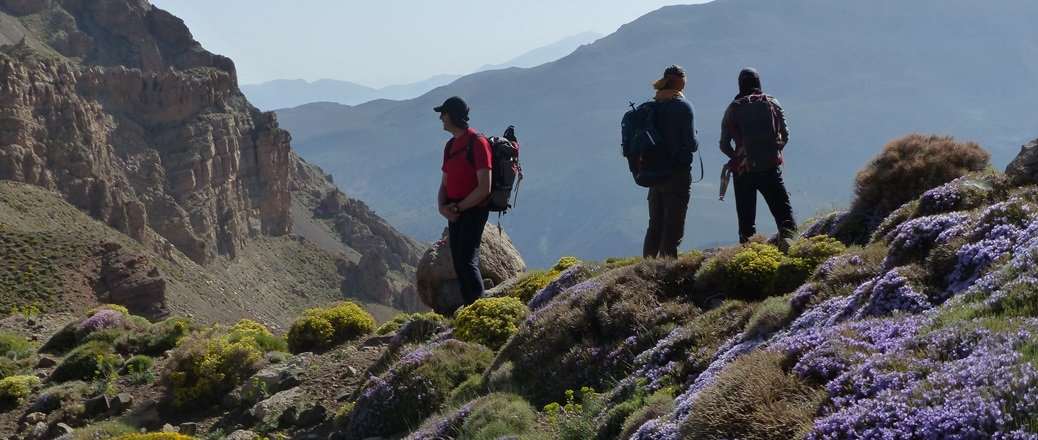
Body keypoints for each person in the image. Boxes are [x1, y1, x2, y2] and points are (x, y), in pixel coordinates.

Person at [719, 68, 796, 246]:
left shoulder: (732, 108)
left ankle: (749, 255)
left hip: (744, 171)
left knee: (747, 222)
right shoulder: (772, 102)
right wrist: (774, 151)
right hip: (770, 168)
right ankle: (791, 249)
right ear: (758, 82)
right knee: (784, 216)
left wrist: (738, 158)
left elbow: (723, 144)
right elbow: (785, 134)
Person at [435, 96, 492, 307]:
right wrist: (443, 208)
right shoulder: (450, 146)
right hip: (454, 210)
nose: (441, 117)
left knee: (467, 261)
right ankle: (471, 307)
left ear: (453, 115)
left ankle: (480, 308)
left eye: (444, 113)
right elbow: (445, 183)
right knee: (459, 262)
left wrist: (458, 207)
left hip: (473, 210)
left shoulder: (477, 142)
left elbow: (484, 187)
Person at [643, 65, 698, 258]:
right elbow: (691, 144)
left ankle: (646, 268)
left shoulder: (652, 105)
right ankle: (667, 268)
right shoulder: (683, 106)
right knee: (673, 225)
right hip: (677, 174)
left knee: (655, 225)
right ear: (680, 81)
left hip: (653, 175)